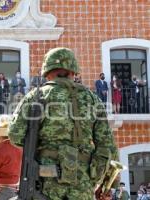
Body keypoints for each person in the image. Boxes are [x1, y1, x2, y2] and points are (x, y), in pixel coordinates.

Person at [9, 48, 118, 200]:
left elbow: (15, 135)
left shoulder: (36, 96)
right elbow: (108, 145)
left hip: (45, 181)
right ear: (73, 72)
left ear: (47, 72)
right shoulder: (92, 99)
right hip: (83, 182)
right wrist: (107, 184)